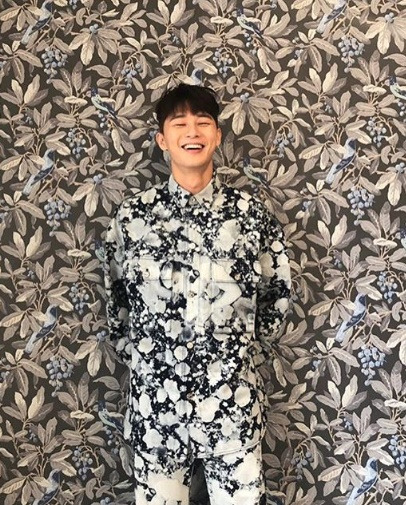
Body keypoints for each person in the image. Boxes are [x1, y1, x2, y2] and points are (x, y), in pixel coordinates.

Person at [103, 83, 291, 505]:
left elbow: (276, 295)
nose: (193, 132)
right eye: (180, 124)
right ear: (162, 139)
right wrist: (147, 361)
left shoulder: (249, 216)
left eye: (203, 122)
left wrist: (240, 356)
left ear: (217, 135)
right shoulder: (132, 217)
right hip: (158, 412)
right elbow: (117, 302)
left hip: (232, 409)